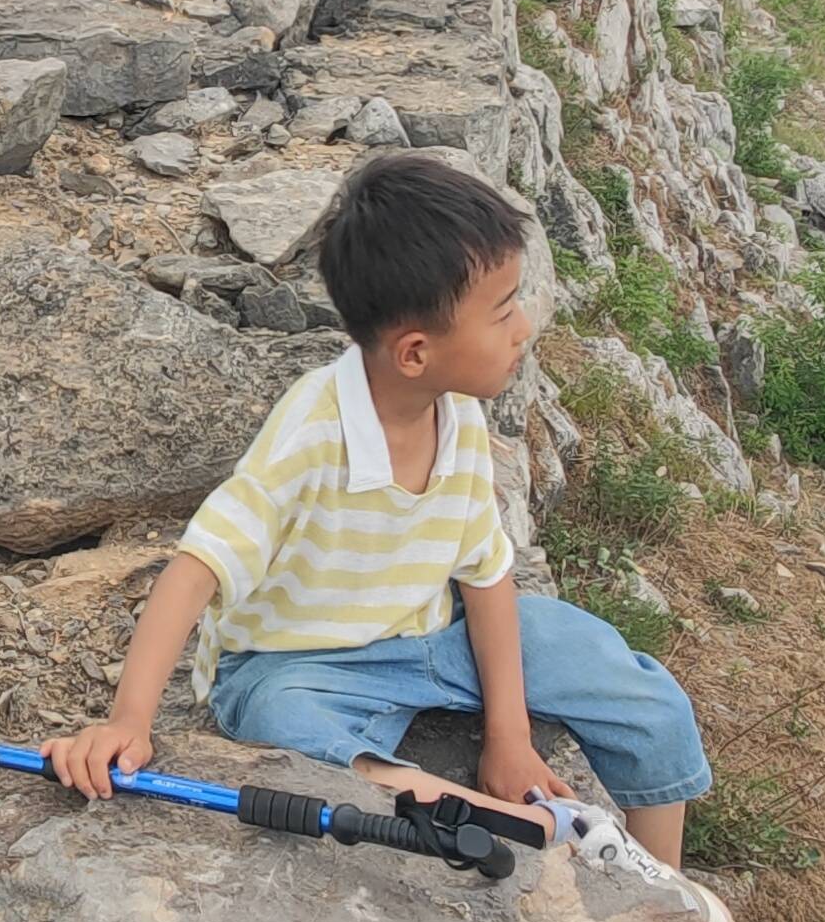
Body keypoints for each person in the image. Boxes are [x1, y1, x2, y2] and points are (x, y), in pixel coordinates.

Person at [41, 151, 719, 870]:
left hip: (430, 640)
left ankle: (659, 883)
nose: (523, 329)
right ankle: (459, 809)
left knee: (621, 675)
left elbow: (486, 578)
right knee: (275, 715)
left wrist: (509, 736)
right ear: (417, 352)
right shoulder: (311, 432)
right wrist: (129, 721)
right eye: (503, 311)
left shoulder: (458, 422)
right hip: (305, 663)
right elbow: (194, 569)